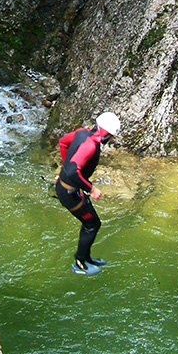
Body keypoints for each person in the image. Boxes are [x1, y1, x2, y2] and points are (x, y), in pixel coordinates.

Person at [55, 112, 121, 275]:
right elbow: (72, 171)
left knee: (92, 223)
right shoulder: (90, 146)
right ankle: (79, 263)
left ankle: (86, 258)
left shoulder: (82, 132)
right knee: (92, 224)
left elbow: (63, 143)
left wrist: (64, 169)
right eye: (112, 136)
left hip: (69, 187)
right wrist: (91, 189)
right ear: (107, 134)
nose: (112, 139)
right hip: (69, 193)